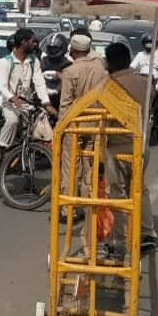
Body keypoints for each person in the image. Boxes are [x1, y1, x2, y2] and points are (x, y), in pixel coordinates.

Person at [104, 42, 158, 252]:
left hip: (116, 148)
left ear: (110, 62)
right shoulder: (146, 84)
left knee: (117, 193)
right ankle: (146, 233)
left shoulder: (108, 85)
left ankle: (119, 239)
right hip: (141, 145)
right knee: (140, 190)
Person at [58, 33, 109, 229]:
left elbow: (65, 105)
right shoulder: (101, 71)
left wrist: (60, 129)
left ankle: (67, 209)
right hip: (95, 124)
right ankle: (90, 207)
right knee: (91, 167)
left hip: (74, 125)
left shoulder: (70, 72)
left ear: (73, 50)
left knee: (70, 168)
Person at [0, 28, 56, 152]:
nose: (35, 44)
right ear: (23, 42)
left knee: (41, 122)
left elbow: (39, 83)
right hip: (9, 103)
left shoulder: (33, 61)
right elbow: (2, 86)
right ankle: (1, 150)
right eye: (33, 41)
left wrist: (46, 103)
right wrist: (12, 98)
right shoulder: (6, 61)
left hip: (27, 103)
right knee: (12, 120)